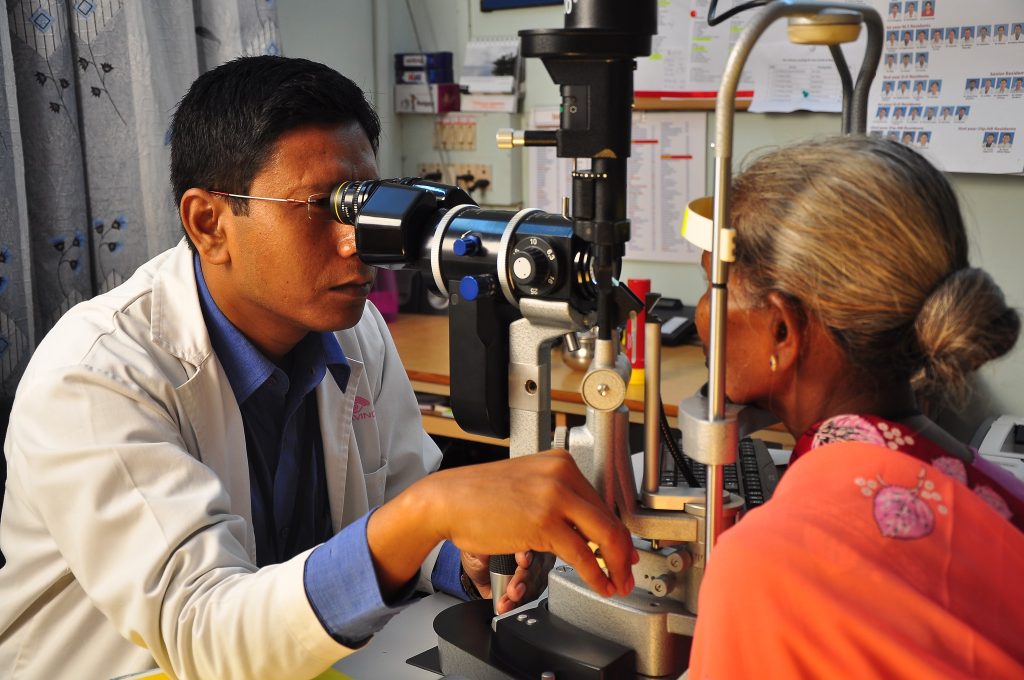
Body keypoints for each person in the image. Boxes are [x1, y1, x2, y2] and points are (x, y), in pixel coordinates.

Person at [0, 56, 637, 680]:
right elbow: (201, 635)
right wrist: (430, 511)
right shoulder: (96, 377)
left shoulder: (356, 329)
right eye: (320, 209)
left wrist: (459, 555)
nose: (356, 241)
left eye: (361, 205)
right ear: (209, 223)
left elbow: (392, 512)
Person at [687, 136, 1024, 677]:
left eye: (714, 283)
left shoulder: (767, 567)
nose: (704, 309)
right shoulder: (999, 495)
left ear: (781, 330)